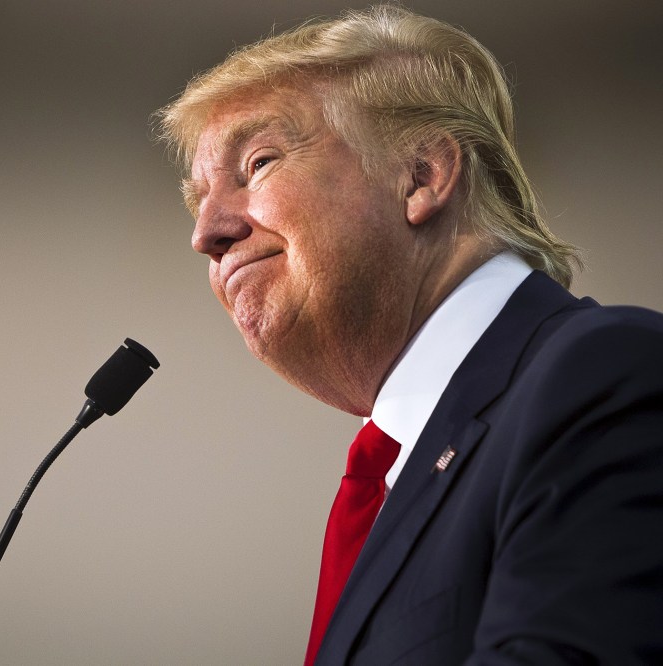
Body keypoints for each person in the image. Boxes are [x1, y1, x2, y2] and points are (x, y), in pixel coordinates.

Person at [156, 5, 663, 665]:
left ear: (422, 176)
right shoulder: (402, 472)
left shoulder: (602, 376)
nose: (206, 234)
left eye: (257, 163)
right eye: (198, 201)